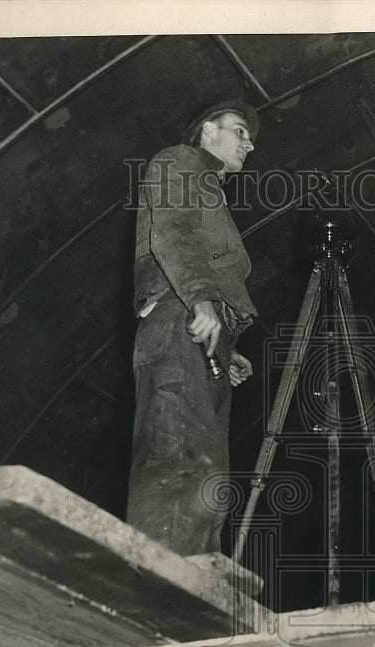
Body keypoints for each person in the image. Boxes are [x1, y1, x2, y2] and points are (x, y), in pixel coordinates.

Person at [127, 99, 259, 556]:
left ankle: (198, 576)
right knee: (176, 457)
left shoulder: (211, 192)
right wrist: (201, 300)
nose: (250, 143)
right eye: (240, 131)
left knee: (204, 465)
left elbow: (211, 264)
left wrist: (230, 345)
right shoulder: (179, 161)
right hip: (178, 319)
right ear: (207, 131)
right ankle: (162, 583)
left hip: (200, 333)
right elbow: (174, 231)